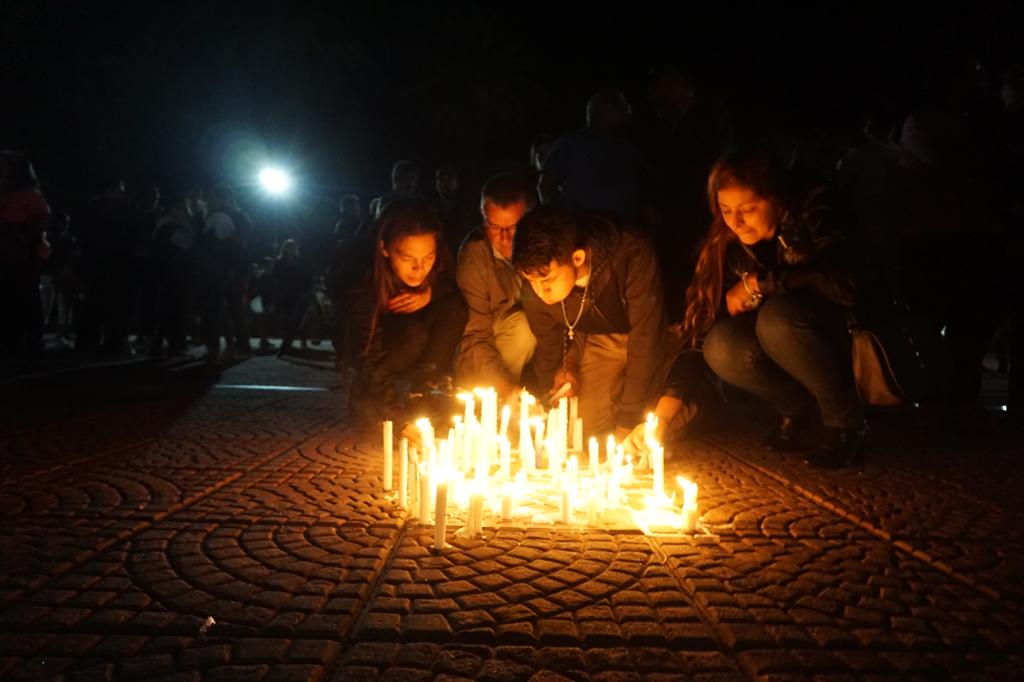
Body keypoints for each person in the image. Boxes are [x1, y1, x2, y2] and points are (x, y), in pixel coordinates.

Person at [679, 147, 866, 468]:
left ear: (776, 199)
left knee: (776, 318)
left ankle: (846, 424)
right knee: (721, 344)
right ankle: (797, 411)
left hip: (843, 329)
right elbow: (704, 323)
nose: (735, 222)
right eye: (725, 210)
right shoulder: (728, 242)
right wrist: (672, 401)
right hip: (782, 338)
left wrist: (759, 283)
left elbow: (845, 284)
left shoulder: (815, 209)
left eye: (748, 209)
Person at [512, 205, 671, 441]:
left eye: (547, 280)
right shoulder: (535, 289)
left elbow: (647, 337)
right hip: (600, 339)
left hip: (655, 333)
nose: (540, 290)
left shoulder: (630, 252)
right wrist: (559, 394)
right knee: (584, 428)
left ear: (577, 257)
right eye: (531, 281)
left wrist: (628, 421)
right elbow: (550, 347)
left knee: (649, 425)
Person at [348, 198, 467, 418]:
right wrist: (396, 414)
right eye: (407, 257)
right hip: (381, 348)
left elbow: (452, 287)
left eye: (428, 257)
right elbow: (368, 355)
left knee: (455, 308)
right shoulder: (364, 282)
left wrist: (431, 294)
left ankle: (427, 388)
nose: (419, 268)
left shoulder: (438, 268)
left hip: (416, 340)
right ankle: (367, 394)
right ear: (384, 248)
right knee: (413, 334)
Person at [454, 172, 537, 399]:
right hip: (489, 345)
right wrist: (504, 388)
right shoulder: (475, 259)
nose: (504, 238)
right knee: (522, 327)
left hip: (538, 346)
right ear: (483, 218)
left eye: (513, 228)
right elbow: (475, 337)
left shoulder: (542, 244)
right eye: (493, 226)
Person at [538, 89, 643, 219]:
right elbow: (546, 184)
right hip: (580, 229)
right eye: (619, 106)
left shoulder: (630, 151)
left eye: (624, 107)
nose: (626, 111)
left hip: (621, 230)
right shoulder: (571, 144)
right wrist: (557, 220)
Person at [0, 151, 51, 356]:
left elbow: (42, 219)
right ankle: (9, 339)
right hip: (4, 250)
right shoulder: (4, 191)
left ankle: (30, 339)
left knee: (25, 295)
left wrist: (22, 234)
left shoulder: (29, 194)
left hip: (20, 252)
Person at [199, 184, 252, 361]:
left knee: (226, 308)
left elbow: (239, 245)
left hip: (227, 267)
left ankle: (233, 346)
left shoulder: (229, 217)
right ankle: (233, 346)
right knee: (226, 308)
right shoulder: (233, 216)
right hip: (224, 267)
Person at [273, 239, 314, 356]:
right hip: (285, 294)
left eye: (292, 247)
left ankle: (295, 342)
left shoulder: (300, 262)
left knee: (298, 319)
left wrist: (308, 290)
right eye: (288, 247)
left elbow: (307, 277)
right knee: (287, 319)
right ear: (284, 248)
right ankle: (288, 343)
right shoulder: (280, 262)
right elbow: (276, 277)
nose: (290, 249)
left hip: (299, 293)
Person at [433, 165, 475, 249]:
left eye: (449, 180)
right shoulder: (430, 207)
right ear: (437, 184)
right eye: (442, 181)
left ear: (456, 183)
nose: (445, 184)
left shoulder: (468, 207)